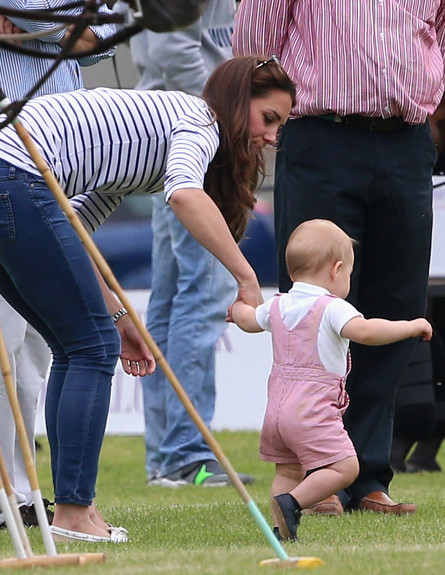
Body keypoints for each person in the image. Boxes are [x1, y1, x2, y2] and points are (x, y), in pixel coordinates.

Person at [0, 55, 295, 541]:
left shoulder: (137, 154)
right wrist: (246, 278)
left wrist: (120, 316)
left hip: (18, 183)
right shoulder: (199, 120)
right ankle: (74, 512)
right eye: (269, 120)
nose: (271, 138)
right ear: (238, 102)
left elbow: (77, 236)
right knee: (89, 350)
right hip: (17, 176)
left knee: (78, 345)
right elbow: (184, 194)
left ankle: (75, 508)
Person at [233, 0, 444, 515]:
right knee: (311, 310)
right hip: (320, 135)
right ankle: (316, 471)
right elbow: (255, 50)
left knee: (395, 305)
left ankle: (367, 473)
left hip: (407, 140)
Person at [230, 219, 433, 541]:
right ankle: (293, 502)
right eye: (349, 273)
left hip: (277, 411)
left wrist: (238, 308)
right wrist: (410, 326)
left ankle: (282, 533)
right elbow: (365, 332)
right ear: (337, 270)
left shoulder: (278, 304)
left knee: (287, 471)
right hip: (312, 409)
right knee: (345, 468)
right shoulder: (332, 308)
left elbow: (247, 320)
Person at [0, 0, 115, 529]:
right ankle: (6, 493)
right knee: (6, 341)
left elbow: (103, 36)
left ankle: (23, 494)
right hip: (9, 158)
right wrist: (64, 30)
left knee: (37, 354)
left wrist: (31, 31)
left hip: (59, 168)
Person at [128, 0, 253, 487]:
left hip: (174, 143)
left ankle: (168, 456)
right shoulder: (203, 122)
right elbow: (172, 49)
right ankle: (185, 453)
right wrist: (220, 127)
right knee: (200, 300)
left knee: (173, 300)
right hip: (190, 144)